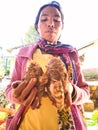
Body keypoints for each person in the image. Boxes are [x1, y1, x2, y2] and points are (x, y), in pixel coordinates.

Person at [5, 1, 90, 130]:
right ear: (37, 26)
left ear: (62, 26)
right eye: (44, 19)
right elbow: (9, 90)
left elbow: (85, 91)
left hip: (66, 125)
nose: (51, 24)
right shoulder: (24, 54)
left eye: (57, 20)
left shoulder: (71, 54)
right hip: (29, 125)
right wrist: (17, 94)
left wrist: (72, 91)